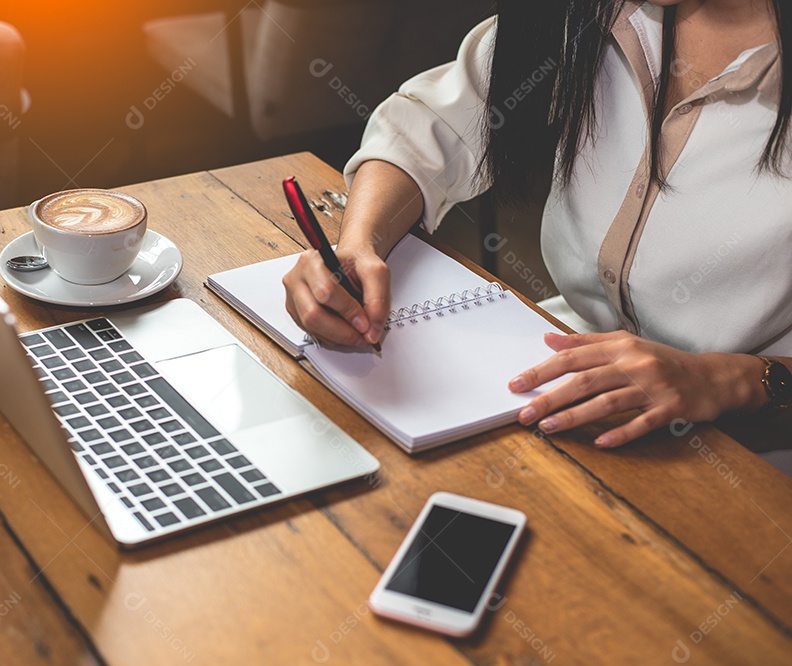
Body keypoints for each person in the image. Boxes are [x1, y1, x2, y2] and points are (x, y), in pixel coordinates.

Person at [282, 0, 792, 468]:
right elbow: (429, 126)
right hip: (566, 373)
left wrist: (726, 379)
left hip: (752, 451)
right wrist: (359, 244)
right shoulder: (590, 13)